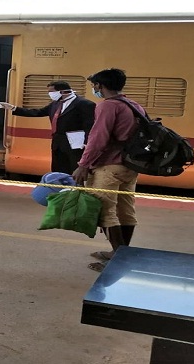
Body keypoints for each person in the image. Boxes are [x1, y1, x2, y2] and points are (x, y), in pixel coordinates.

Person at [71, 68, 145, 272]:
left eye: (94, 85)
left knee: (104, 210)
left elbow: (98, 138)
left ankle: (118, 260)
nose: (94, 88)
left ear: (100, 86)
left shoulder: (108, 106)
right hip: (129, 166)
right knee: (125, 209)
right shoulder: (133, 104)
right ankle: (120, 253)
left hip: (109, 166)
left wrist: (83, 165)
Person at [0, 81, 95, 174]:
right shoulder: (55, 103)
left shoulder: (85, 104)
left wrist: (87, 143)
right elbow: (38, 112)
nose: (49, 94)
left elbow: (90, 126)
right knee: (58, 168)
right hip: (57, 142)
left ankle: (75, 185)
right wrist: (13, 108)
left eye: (51, 92)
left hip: (76, 143)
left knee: (74, 168)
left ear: (63, 92)